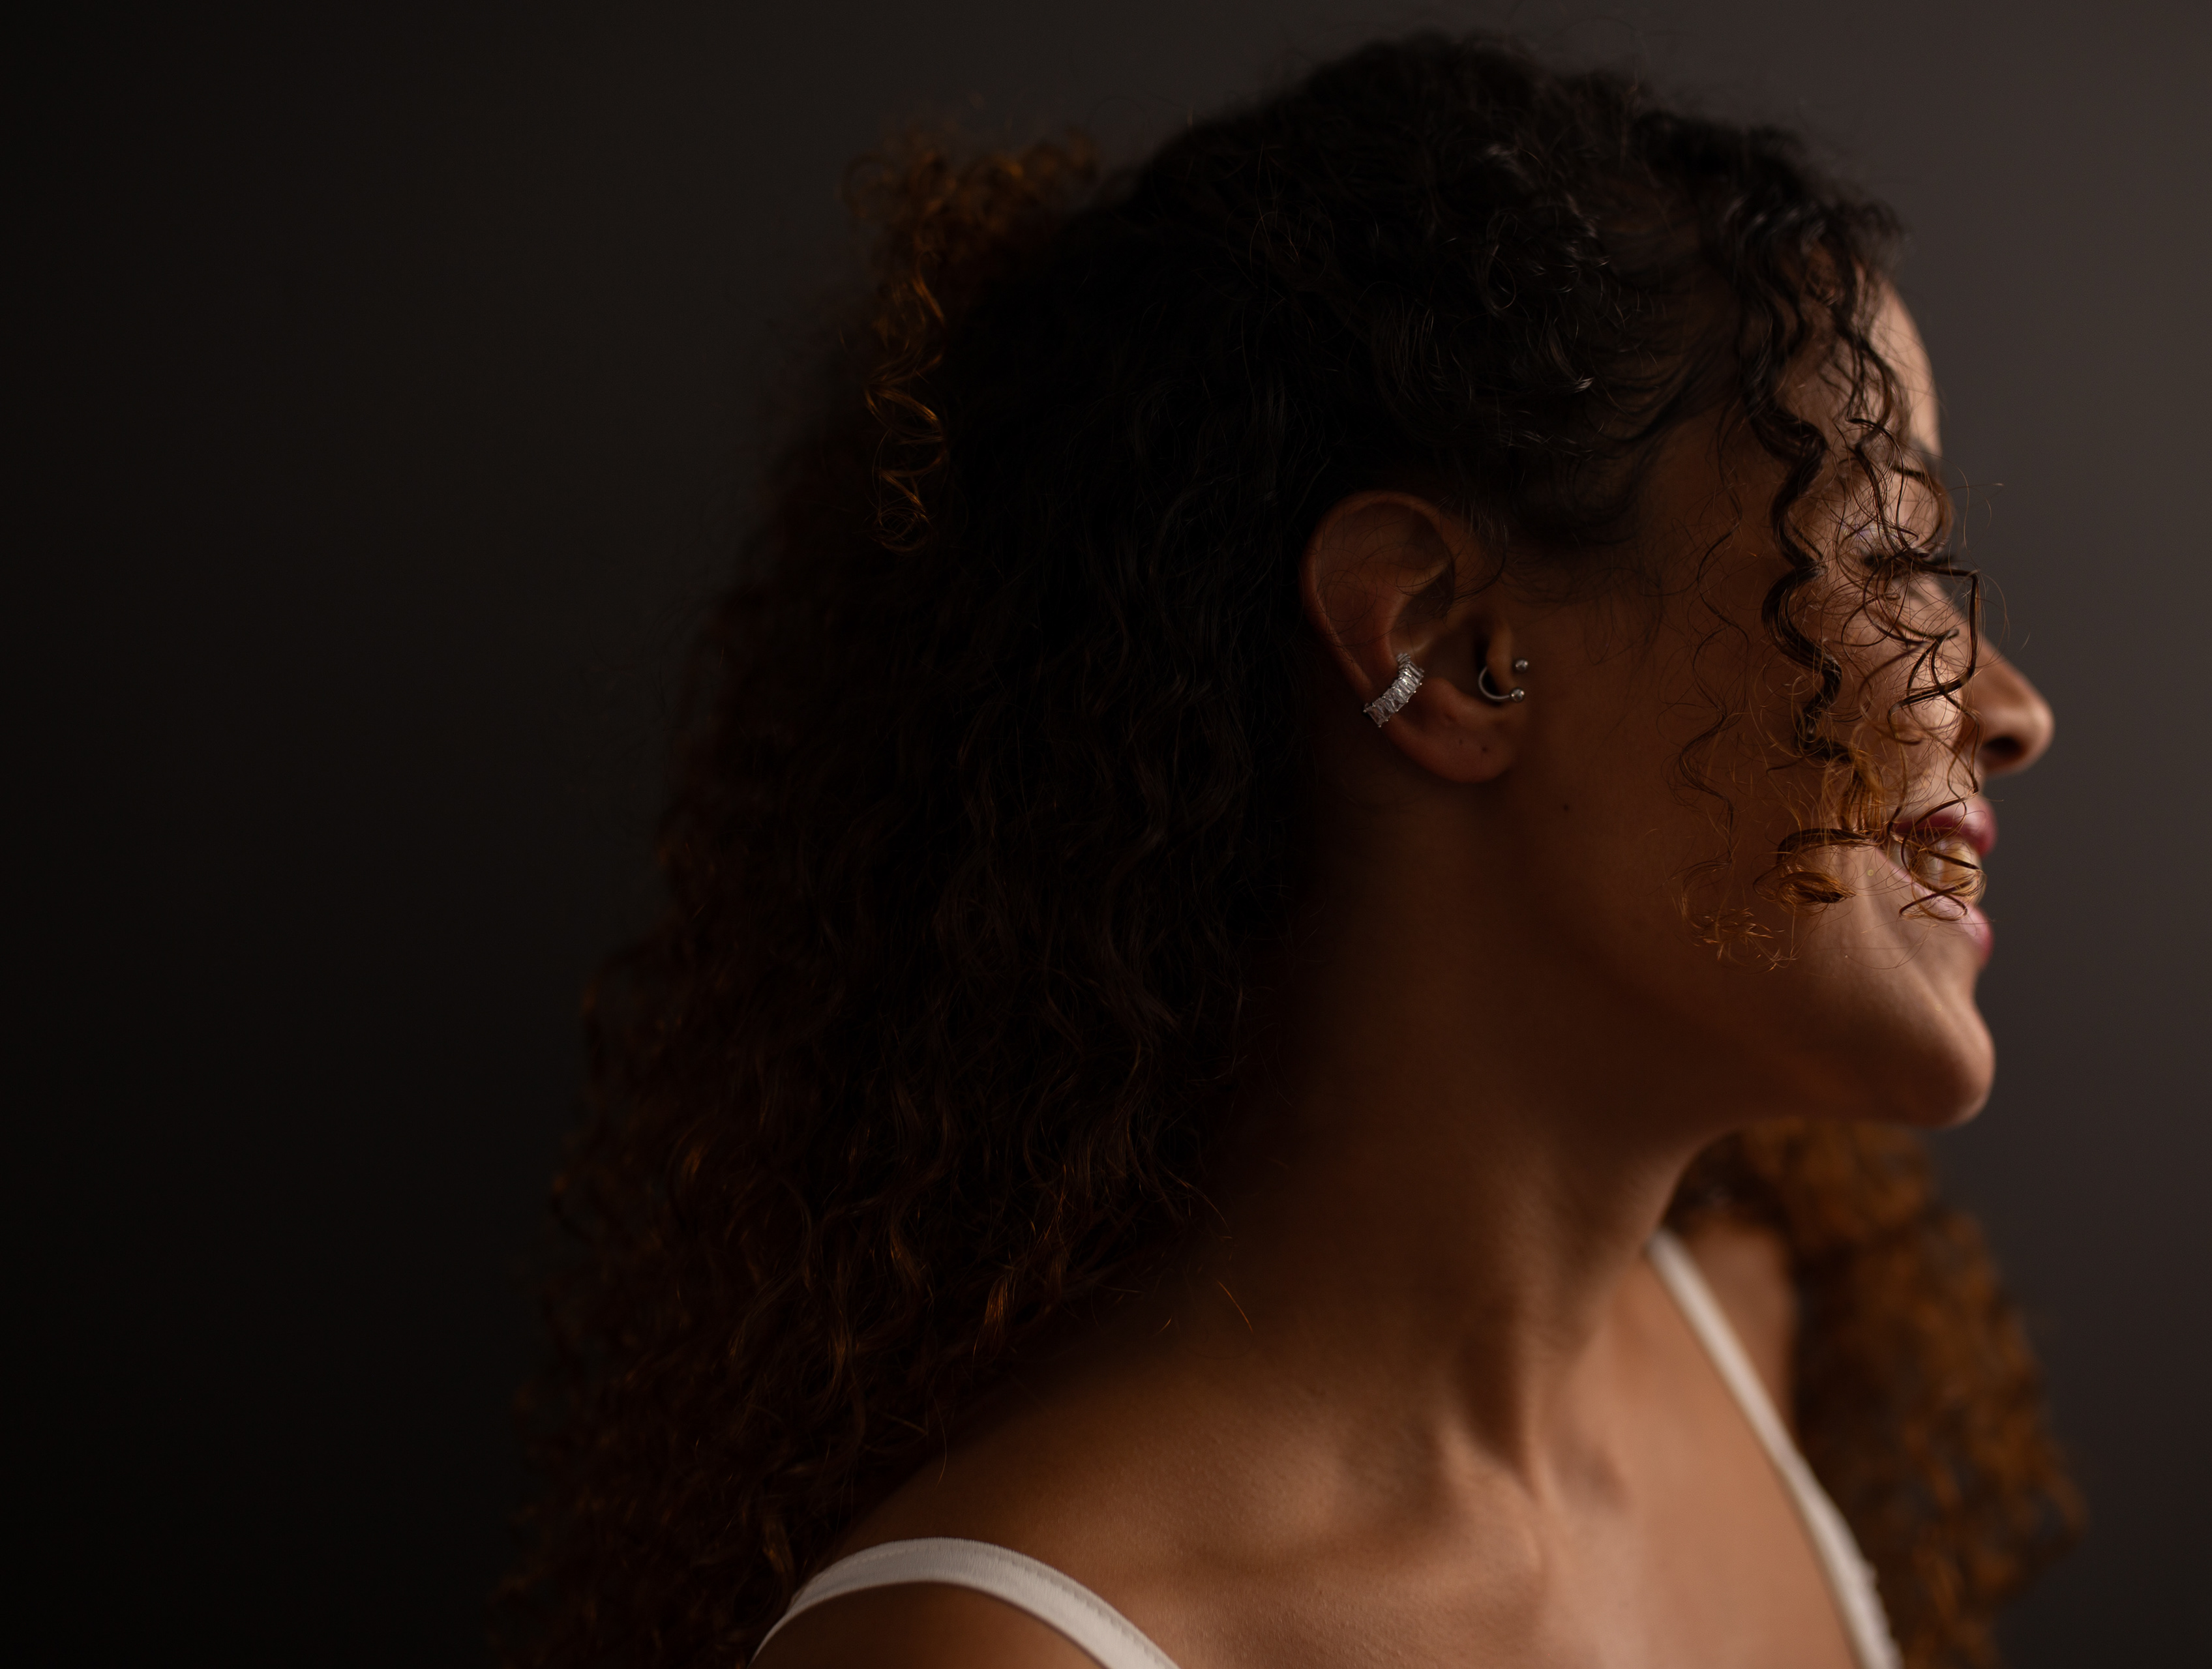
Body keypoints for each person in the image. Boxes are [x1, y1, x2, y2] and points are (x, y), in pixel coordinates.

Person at [504, 33, 2079, 1669]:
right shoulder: (992, 1649)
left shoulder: (1746, 1331)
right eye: (1887, 545)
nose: (2015, 709)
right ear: (1450, 645)